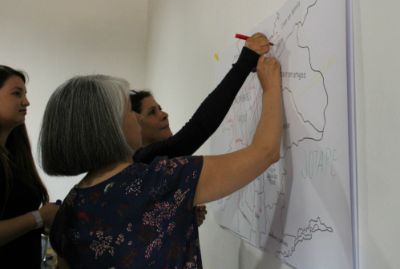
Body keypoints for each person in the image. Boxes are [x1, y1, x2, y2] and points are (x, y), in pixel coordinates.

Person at [39, 51, 282, 268]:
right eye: (128, 111)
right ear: (109, 127)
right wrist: (271, 87)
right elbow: (265, 152)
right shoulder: (159, 180)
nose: (135, 119)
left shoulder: (68, 209)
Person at [130, 33, 271, 225]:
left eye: (160, 108)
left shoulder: (151, 168)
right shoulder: (141, 162)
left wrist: (180, 219)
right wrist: (245, 61)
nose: (164, 115)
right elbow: (197, 129)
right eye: (152, 112)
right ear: (134, 123)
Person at [0, 65, 59, 268]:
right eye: (17, 94)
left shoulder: (15, 158)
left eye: (25, 94)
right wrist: (39, 217)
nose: (26, 102)